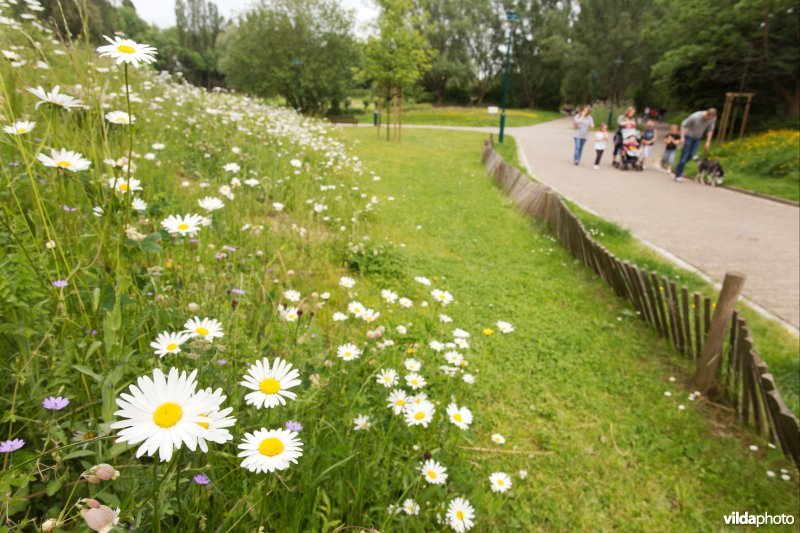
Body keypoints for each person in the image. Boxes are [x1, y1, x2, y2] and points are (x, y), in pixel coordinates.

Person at [674, 108, 717, 182]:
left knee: (692, 155)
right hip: (688, 137)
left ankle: (678, 167)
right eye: (708, 118)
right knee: (684, 156)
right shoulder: (695, 116)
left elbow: (710, 129)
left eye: (711, 118)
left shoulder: (713, 118)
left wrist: (708, 142)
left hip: (697, 138)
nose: (709, 120)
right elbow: (683, 125)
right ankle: (678, 175)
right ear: (706, 114)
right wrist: (682, 137)